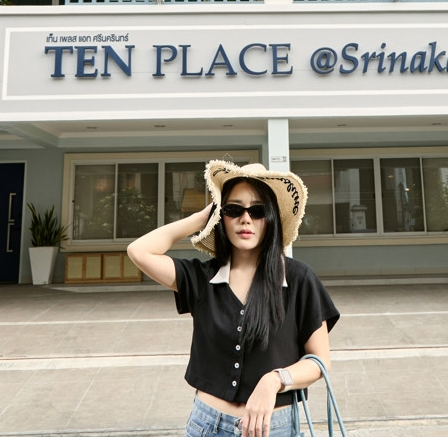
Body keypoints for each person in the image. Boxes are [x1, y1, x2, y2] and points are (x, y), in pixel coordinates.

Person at [128, 160, 339, 437]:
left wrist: (275, 380)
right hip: (207, 424)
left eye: (258, 210)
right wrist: (202, 217)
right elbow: (139, 251)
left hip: (274, 428)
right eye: (233, 210)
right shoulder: (202, 278)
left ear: (271, 218)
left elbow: (320, 362)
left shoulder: (299, 279)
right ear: (221, 217)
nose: (246, 219)